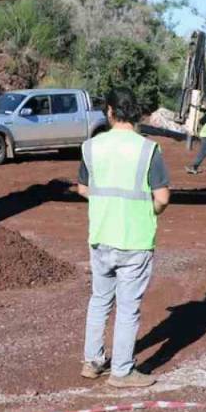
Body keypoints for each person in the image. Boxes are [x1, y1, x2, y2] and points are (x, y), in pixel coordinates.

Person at [75, 88, 171, 388]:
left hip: (101, 236)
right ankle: (121, 372)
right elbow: (163, 197)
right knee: (128, 307)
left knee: (100, 300)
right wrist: (149, 210)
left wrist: (106, 202)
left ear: (110, 112)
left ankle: (92, 362)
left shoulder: (91, 147)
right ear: (137, 113)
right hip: (135, 239)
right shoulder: (148, 149)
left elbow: (82, 188)